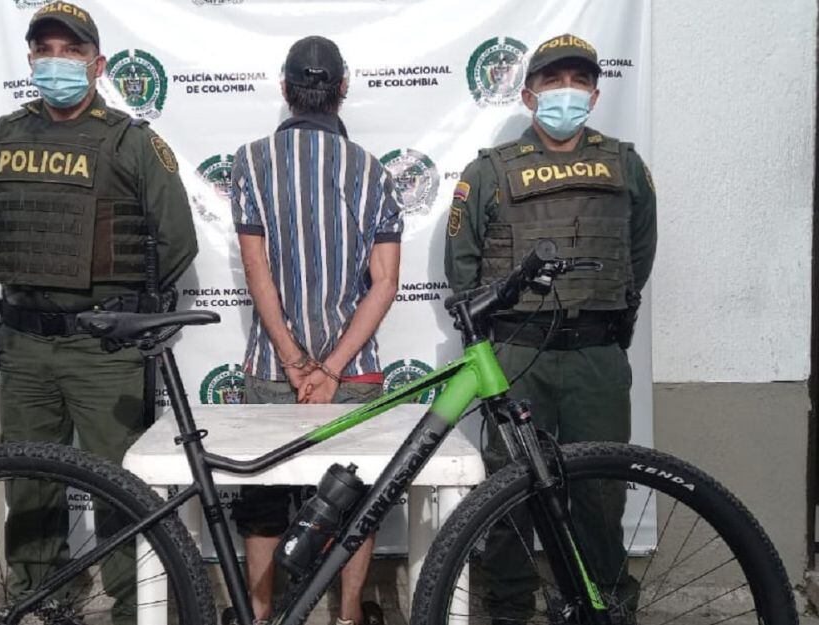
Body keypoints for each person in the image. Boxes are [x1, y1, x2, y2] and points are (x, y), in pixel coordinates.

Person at [0, 1, 197, 620]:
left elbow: (177, 241)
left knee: (121, 491)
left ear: (97, 65)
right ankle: (40, 602)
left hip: (105, 349)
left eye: (71, 51)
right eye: (46, 49)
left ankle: (135, 611)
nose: (57, 61)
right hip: (25, 344)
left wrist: (115, 303)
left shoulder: (132, 142)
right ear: (30, 60)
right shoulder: (4, 139)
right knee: (29, 486)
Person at [443, 33, 656, 621]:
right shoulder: (488, 172)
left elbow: (640, 254)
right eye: (553, 80)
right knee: (508, 495)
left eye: (578, 80)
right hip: (516, 355)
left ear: (594, 90)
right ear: (529, 93)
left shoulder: (626, 165)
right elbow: (462, 266)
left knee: (600, 493)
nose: (566, 91)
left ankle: (602, 606)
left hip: (596, 358)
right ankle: (511, 608)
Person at [228, 35, 402, 625]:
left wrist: (294, 360)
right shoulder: (374, 172)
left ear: (285, 91)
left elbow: (258, 272)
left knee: (263, 504)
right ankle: (348, 615)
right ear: (342, 91)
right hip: (354, 372)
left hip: (274, 369)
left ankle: (261, 616)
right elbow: (385, 282)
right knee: (355, 506)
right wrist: (329, 369)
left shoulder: (249, 161)